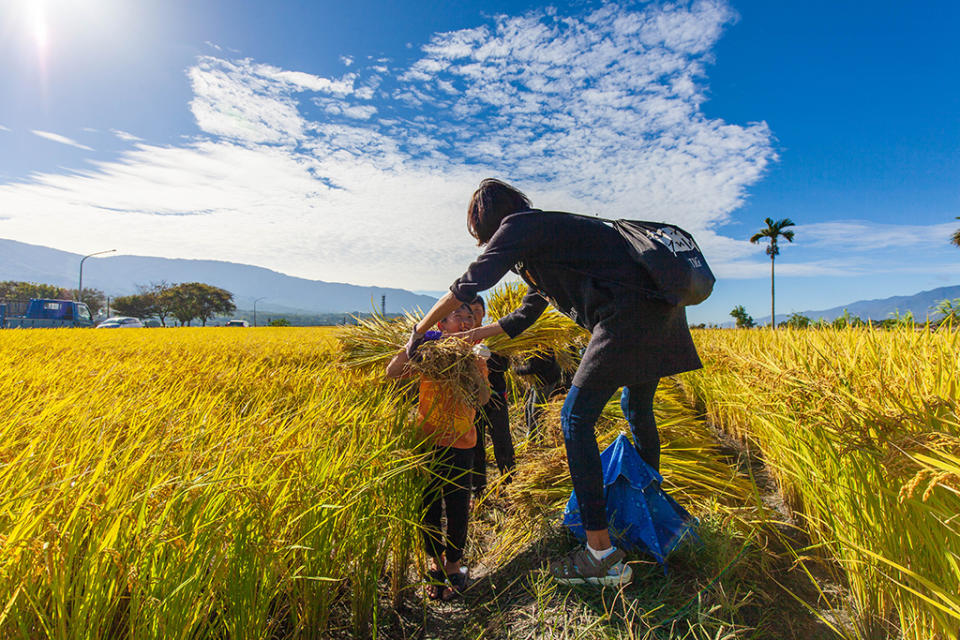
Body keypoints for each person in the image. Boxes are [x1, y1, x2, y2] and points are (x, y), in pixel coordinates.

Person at [404, 178, 702, 587]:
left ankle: (601, 554)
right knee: (637, 409)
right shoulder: (548, 245)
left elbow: (470, 282)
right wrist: (472, 336)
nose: (487, 244)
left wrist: (420, 331)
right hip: (660, 316)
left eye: (481, 235)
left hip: (625, 319)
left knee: (574, 420)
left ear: (487, 223)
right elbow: (525, 315)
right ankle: (644, 510)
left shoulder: (520, 227)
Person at [386, 302, 491, 600]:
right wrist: (414, 342)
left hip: (462, 441)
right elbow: (392, 371)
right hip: (427, 441)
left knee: (458, 508)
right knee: (429, 507)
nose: (466, 320)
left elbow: (484, 399)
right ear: (441, 324)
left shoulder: (475, 354)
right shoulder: (428, 350)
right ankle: (435, 562)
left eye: (469, 317)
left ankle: (453, 564)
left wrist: (478, 367)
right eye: (458, 315)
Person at [467, 296, 515, 500]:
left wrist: (489, 359)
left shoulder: (495, 336)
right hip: (473, 401)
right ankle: (479, 490)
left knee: (502, 439)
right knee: (475, 445)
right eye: (470, 312)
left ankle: (510, 483)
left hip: (496, 398)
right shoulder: (462, 337)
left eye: (478, 310)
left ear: (484, 312)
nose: (474, 315)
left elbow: (505, 366)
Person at [514, 350, 562, 442]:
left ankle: (538, 438)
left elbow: (532, 368)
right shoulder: (535, 345)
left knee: (536, 411)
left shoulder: (541, 348)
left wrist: (516, 369)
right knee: (529, 407)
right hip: (539, 380)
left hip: (546, 381)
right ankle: (531, 435)